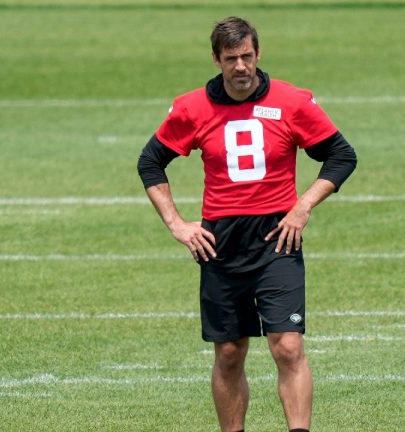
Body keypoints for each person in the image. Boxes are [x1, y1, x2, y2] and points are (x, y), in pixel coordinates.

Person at [137, 16, 357, 432]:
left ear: (258, 54)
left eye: (247, 56)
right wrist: (178, 225)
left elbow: (342, 156)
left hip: (278, 236)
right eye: (231, 58)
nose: (241, 67)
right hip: (220, 242)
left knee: (288, 347)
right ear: (216, 59)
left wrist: (303, 206)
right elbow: (150, 163)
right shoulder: (192, 107)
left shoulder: (291, 101)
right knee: (230, 353)